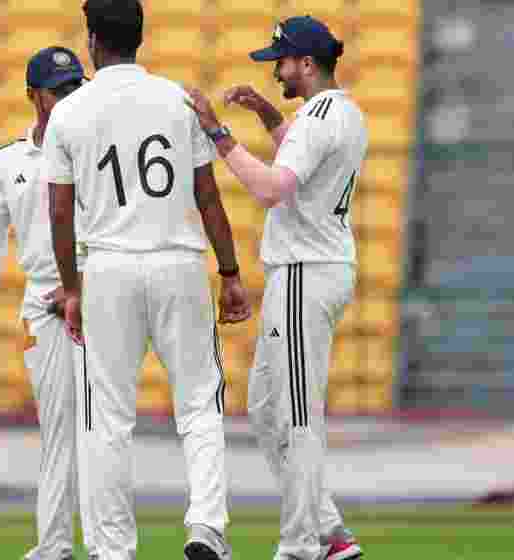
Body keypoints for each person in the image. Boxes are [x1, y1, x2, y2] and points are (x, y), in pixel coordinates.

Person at [43, 1, 253, 559]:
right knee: (200, 404)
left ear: (92, 40)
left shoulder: (68, 112)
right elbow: (206, 196)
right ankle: (207, 525)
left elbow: (59, 215)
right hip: (178, 262)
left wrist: (70, 288)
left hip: (107, 267)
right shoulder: (177, 100)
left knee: (105, 418)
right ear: (139, 36)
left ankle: (113, 550)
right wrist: (230, 273)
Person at [184, 15, 367, 560]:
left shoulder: (318, 117)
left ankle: (300, 543)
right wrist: (266, 115)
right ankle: (331, 532)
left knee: (298, 415)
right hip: (316, 269)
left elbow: (271, 188)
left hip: (305, 274)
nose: (277, 72)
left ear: (307, 64)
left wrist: (218, 132)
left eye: (283, 62)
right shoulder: (343, 111)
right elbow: (303, 159)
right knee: (267, 410)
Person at [0, 46, 93, 560]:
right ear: (33, 95)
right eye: (59, 92)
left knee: (101, 427)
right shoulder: (8, 163)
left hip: (103, 296)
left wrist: (84, 282)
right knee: (59, 429)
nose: (70, 100)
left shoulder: (98, 148)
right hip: (43, 304)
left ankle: (105, 545)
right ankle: (54, 546)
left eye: (78, 89)